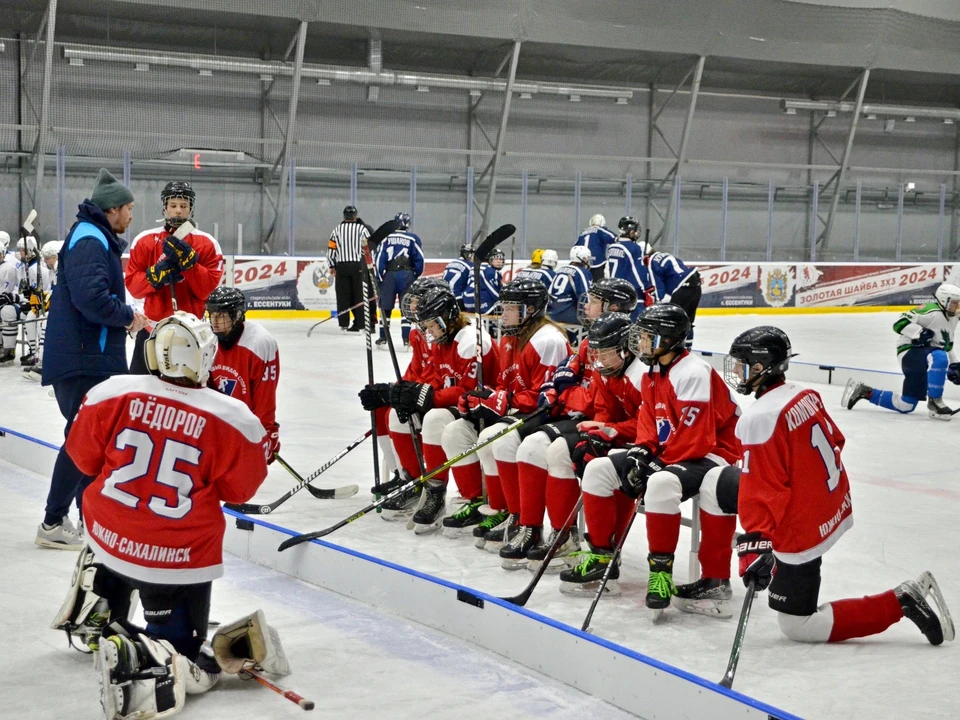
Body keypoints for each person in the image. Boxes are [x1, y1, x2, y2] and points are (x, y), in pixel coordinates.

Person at [49, 312, 285, 719]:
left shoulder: (110, 391)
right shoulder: (235, 419)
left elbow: (83, 459)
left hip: (106, 537)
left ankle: (97, 608)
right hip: (175, 561)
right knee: (187, 657)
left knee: (106, 523)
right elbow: (238, 492)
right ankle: (146, 650)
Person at [728, 326, 954, 645]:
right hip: (831, 505)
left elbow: (761, 490)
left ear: (761, 367)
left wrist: (755, 544)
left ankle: (902, 600)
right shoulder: (804, 394)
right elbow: (836, 440)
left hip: (800, 529)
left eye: (741, 364)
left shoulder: (758, 418)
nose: (736, 371)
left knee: (797, 625)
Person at [561, 304, 741, 615]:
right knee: (599, 469)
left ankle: (660, 573)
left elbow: (696, 438)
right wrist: (642, 450)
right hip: (677, 448)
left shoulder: (693, 372)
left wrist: (657, 463)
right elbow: (649, 420)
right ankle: (603, 558)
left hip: (715, 451)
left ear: (668, 340)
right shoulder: (655, 371)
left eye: (647, 336)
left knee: (660, 482)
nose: (640, 342)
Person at [40, 169, 150, 550]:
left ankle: (90, 520)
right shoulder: (90, 238)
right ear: (113, 209)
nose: (132, 215)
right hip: (85, 357)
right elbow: (91, 300)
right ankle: (53, 521)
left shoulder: (95, 234)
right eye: (129, 208)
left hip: (88, 355)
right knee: (83, 438)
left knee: (93, 440)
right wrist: (129, 316)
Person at [441, 279, 571, 551]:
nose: (504, 314)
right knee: (456, 431)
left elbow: (547, 398)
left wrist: (504, 401)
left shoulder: (547, 340)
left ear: (531, 309)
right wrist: (482, 398)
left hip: (551, 416)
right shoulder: (511, 336)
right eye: (506, 307)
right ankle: (494, 508)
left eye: (512, 308)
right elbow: (505, 386)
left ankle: (522, 518)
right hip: (520, 411)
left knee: (496, 437)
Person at [379, 283, 498, 533]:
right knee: (399, 416)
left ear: (449, 317)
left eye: (433, 324)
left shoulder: (472, 340)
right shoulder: (441, 339)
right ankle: (417, 484)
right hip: (455, 403)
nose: (430, 331)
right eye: (427, 326)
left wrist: (429, 397)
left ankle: (461, 496)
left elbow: (469, 389)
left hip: (481, 408)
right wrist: (408, 393)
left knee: (434, 419)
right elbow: (435, 378)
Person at [359, 276, 451, 509]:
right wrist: (391, 391)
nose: (410, 307)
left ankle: (417, 483)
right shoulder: (418, 334)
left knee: (395, 413)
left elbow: (440, 378)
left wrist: (403, 393)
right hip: (425, 393)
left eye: (417, 301)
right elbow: (414, 374)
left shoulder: (443, 334)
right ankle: (402, 474)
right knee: (382, 407)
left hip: (440, 399)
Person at [124, 181, 224, 374]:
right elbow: (133, 286)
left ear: (191, 209)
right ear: (165, 208)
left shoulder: (207, 243)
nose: (178, 211)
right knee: (142, 392)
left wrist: (190, 266)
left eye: (183, 206)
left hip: (192, 333)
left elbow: (208, 290)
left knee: (187, 396)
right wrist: (155, 275)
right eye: (173, 206)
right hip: (151, 331)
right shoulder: (145, 241)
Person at [843, 283, 960, 419]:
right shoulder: (929, 310)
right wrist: (918, 333)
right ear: (944, 300)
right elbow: (899, 324)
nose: (957, 307)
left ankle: (865, 392)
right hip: (909, 350)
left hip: (925, 355)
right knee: (939, 357)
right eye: (954, 303)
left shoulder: (953, 318)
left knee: (906, 405)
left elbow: (946, 345)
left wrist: (954, 364)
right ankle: (935, 402)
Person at [206, 287, 281, 463]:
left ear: (237, 315)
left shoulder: (259, 343)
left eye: (221, 316)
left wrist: (267, 432)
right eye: (212, 315)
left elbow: (265, 398)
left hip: (245, 424)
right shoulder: (207, 339)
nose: (215, 322)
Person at [375, 212, 424, 350]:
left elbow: (379, 260)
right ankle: (406, 340)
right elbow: (420, 260)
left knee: (385, 307)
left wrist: (379, 278)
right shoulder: (413, 239)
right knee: (406, 307)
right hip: (407, 274)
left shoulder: (386, 238)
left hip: (390, 275)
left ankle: (383, 337)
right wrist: (414, 275)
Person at [643, 245, 702, 347]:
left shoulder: (652, 261)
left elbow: (658, 289)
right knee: (688, 322)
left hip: (682, 289)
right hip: (696, 285)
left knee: (674, 323)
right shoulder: (666, 255)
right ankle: (688, 349)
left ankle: (676, 350)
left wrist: (656, 304)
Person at [327, 205, 372, 333]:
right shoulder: (362, 229)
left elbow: (331, 249)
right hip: (358, 266)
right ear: (355, 216)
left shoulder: (337, 230)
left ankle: (344, 324)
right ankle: (362, 324)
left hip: (342, 266)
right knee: (360, 295)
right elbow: (368, 248)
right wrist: (369, 264)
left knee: (343, 296)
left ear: (344, 216)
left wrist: (331, 265)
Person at [605, 216, 647, 314]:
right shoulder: (634, 248)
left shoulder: (612, 247)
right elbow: (637, 272)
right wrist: (646, 289)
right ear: (631, 231)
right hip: (631, 292)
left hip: (614, 291)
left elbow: (607, 270)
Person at [548, 246, 593, 328]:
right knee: (595, 320)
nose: (588, 260)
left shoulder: (561, 269)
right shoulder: (582, 272)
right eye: (587, 258)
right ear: (582, 258)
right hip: (566, 313)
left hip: (552, 312)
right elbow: (586, 296)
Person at [0, 230, 23, 365]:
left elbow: (9, 291)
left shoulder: (9, 267)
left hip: (13, 301)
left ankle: (9, 349)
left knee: (6, 311)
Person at [574, 214, 617, 281]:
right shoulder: (600, 230)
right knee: (598, 286)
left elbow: (575, 247)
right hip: (597, 263)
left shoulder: (583, 233)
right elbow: (614, 238)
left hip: (583, 263)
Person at [462, 247, 505, 315]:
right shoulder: (491, 271)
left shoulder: (473, 267)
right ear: (490, 259)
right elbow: (493, 293)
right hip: (481, 304)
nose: (499, 261)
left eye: (501, 259)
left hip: (467, 303)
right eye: (496, 259)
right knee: (507, 309)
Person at [442, 244, 474, 310]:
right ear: (469, 255)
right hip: (458, 298)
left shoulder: (450, 264)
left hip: (444, 297)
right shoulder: (470, 266)